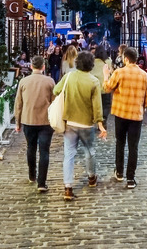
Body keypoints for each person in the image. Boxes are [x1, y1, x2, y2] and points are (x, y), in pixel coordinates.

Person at [54, 51, 107, 200]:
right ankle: (91, 177)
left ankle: (68, 187)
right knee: (90, 151)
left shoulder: (68, 77)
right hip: (86, 124)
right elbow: (97, 106)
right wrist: (100, 124)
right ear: (91, 64)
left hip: (70, 122)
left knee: (69, 154)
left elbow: (55, 90)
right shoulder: (93, 81)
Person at [103, 47, 147, 189]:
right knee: (133, 146)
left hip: (121, 113)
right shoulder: (144, 75)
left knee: (120, 143)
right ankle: (131, 178)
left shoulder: (119, 72)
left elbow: (107, 88)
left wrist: (106, 75)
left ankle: (119, 172)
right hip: (136, 115)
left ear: (126, 59)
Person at [14, 56, 55, 192]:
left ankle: (32, 175)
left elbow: (18, 104)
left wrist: (17, 122)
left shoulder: (24, 81)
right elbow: (54, 103)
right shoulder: (50, 81)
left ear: (31, 66)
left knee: (31, 147)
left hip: (28, 120)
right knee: (44, 151)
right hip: (45, 121)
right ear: (43, 67)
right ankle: (42, 183)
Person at [90, 46, 113, 128]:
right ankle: (104, 119)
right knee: (106, 104)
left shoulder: (92, 61)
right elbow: (111, 72)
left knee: (97, 105)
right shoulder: (108, 61)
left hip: (95, 86)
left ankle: (98, 120)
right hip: (105, 86)